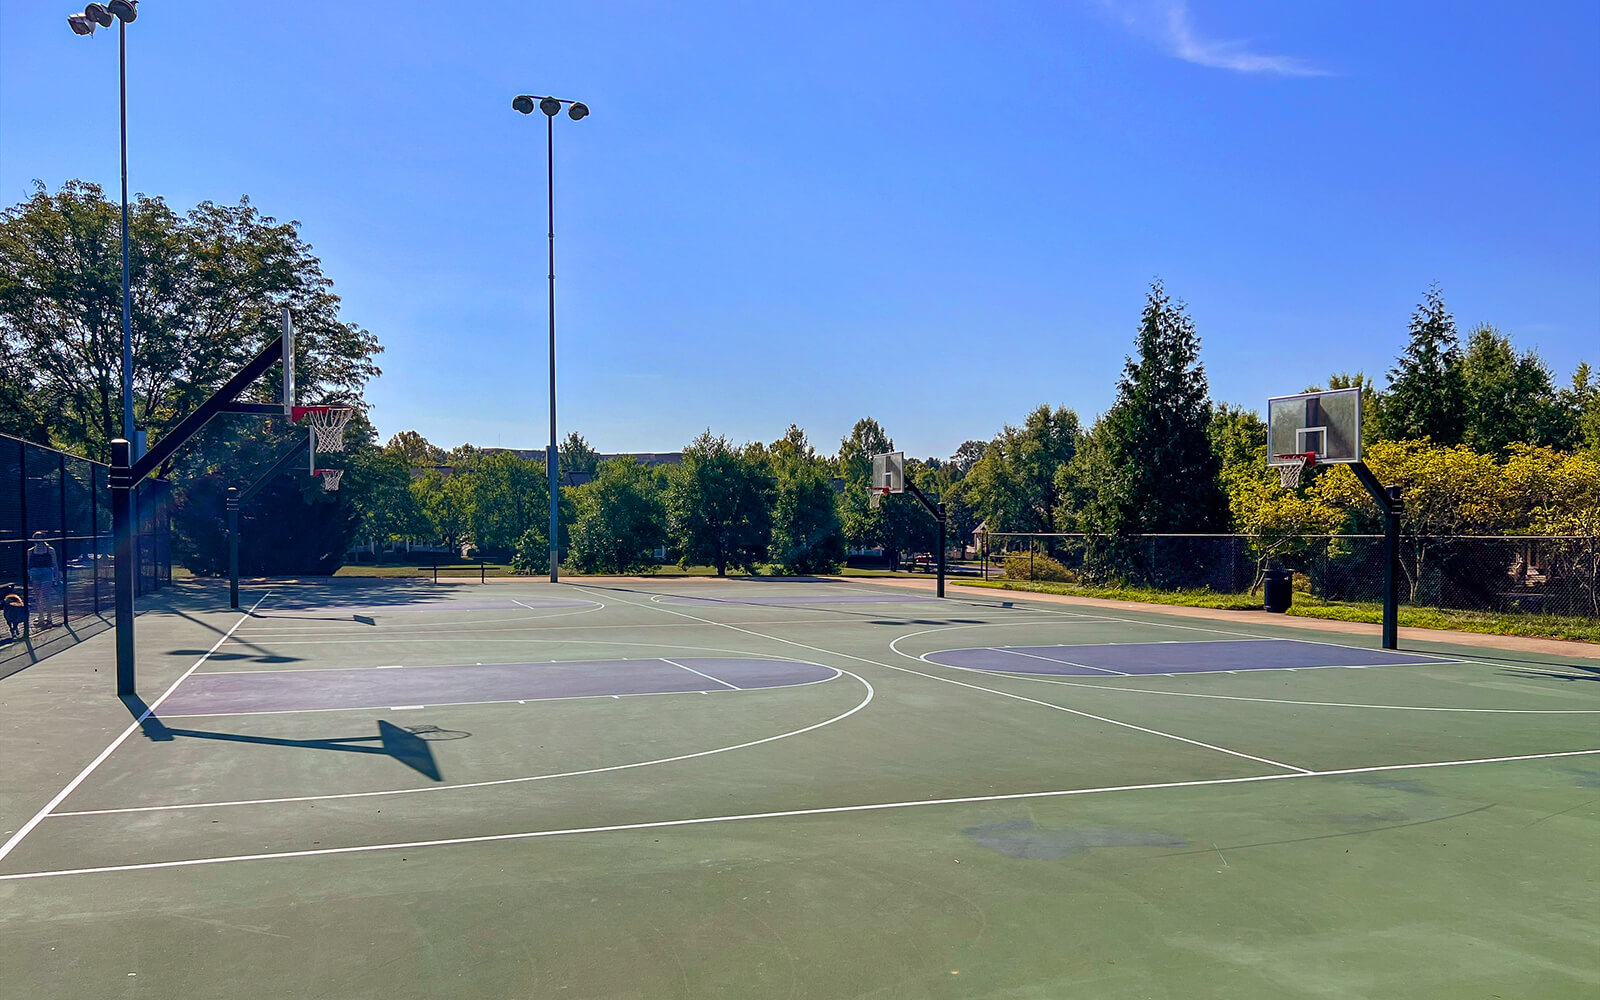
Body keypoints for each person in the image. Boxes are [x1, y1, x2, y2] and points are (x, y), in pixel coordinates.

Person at [26, 532, 60, 630]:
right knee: (37, 596)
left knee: (45, 595)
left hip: (46, 572)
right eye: (36, 539)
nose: (38, 541)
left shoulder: (50, 550)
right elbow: (28, 564)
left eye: (40, 539)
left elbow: (54, 563)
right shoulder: (30, 551)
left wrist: (56, 575)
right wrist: (29, 574)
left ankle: (49, 616)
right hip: (35, 573)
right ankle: (40, 616)